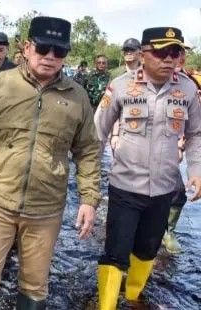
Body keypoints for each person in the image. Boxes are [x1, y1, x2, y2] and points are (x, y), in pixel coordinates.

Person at [0, 16, 101, 309]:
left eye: (59, 52)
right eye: (43, 48)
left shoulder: (77, 97)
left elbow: (87, 150)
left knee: (35, 285)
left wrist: (89, 199)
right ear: (27, 46)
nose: (50, 57)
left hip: (46, 209)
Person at [94, 27, 201, 310]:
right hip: (125, 187)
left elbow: (196, 134)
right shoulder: (120, 86)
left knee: (147, 250)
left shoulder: (188, 88)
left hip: (164, 188)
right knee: (116, 252)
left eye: (175, 52)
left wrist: (196, 171)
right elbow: (97, 134)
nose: (170, 59)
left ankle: (132, 298)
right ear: (143, 55)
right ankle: (106, 306)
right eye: (162, 52)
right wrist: (90, 185)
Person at [162, 43, 201, 254]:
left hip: (173, 146)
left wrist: (181, 144)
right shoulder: (143, 80)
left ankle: (168, 230)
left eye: (178, 53)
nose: (175, 58)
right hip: (138, 148)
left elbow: (194, 124)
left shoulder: (189, 85)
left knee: (177, 191)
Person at [110, 38, 142, 151]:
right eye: (126, 50)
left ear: (140, 53)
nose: (128, 53)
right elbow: (111, 108)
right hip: (119, 127)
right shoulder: (115, 74)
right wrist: (115, 134)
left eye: (132, 50)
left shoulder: (147, 74)